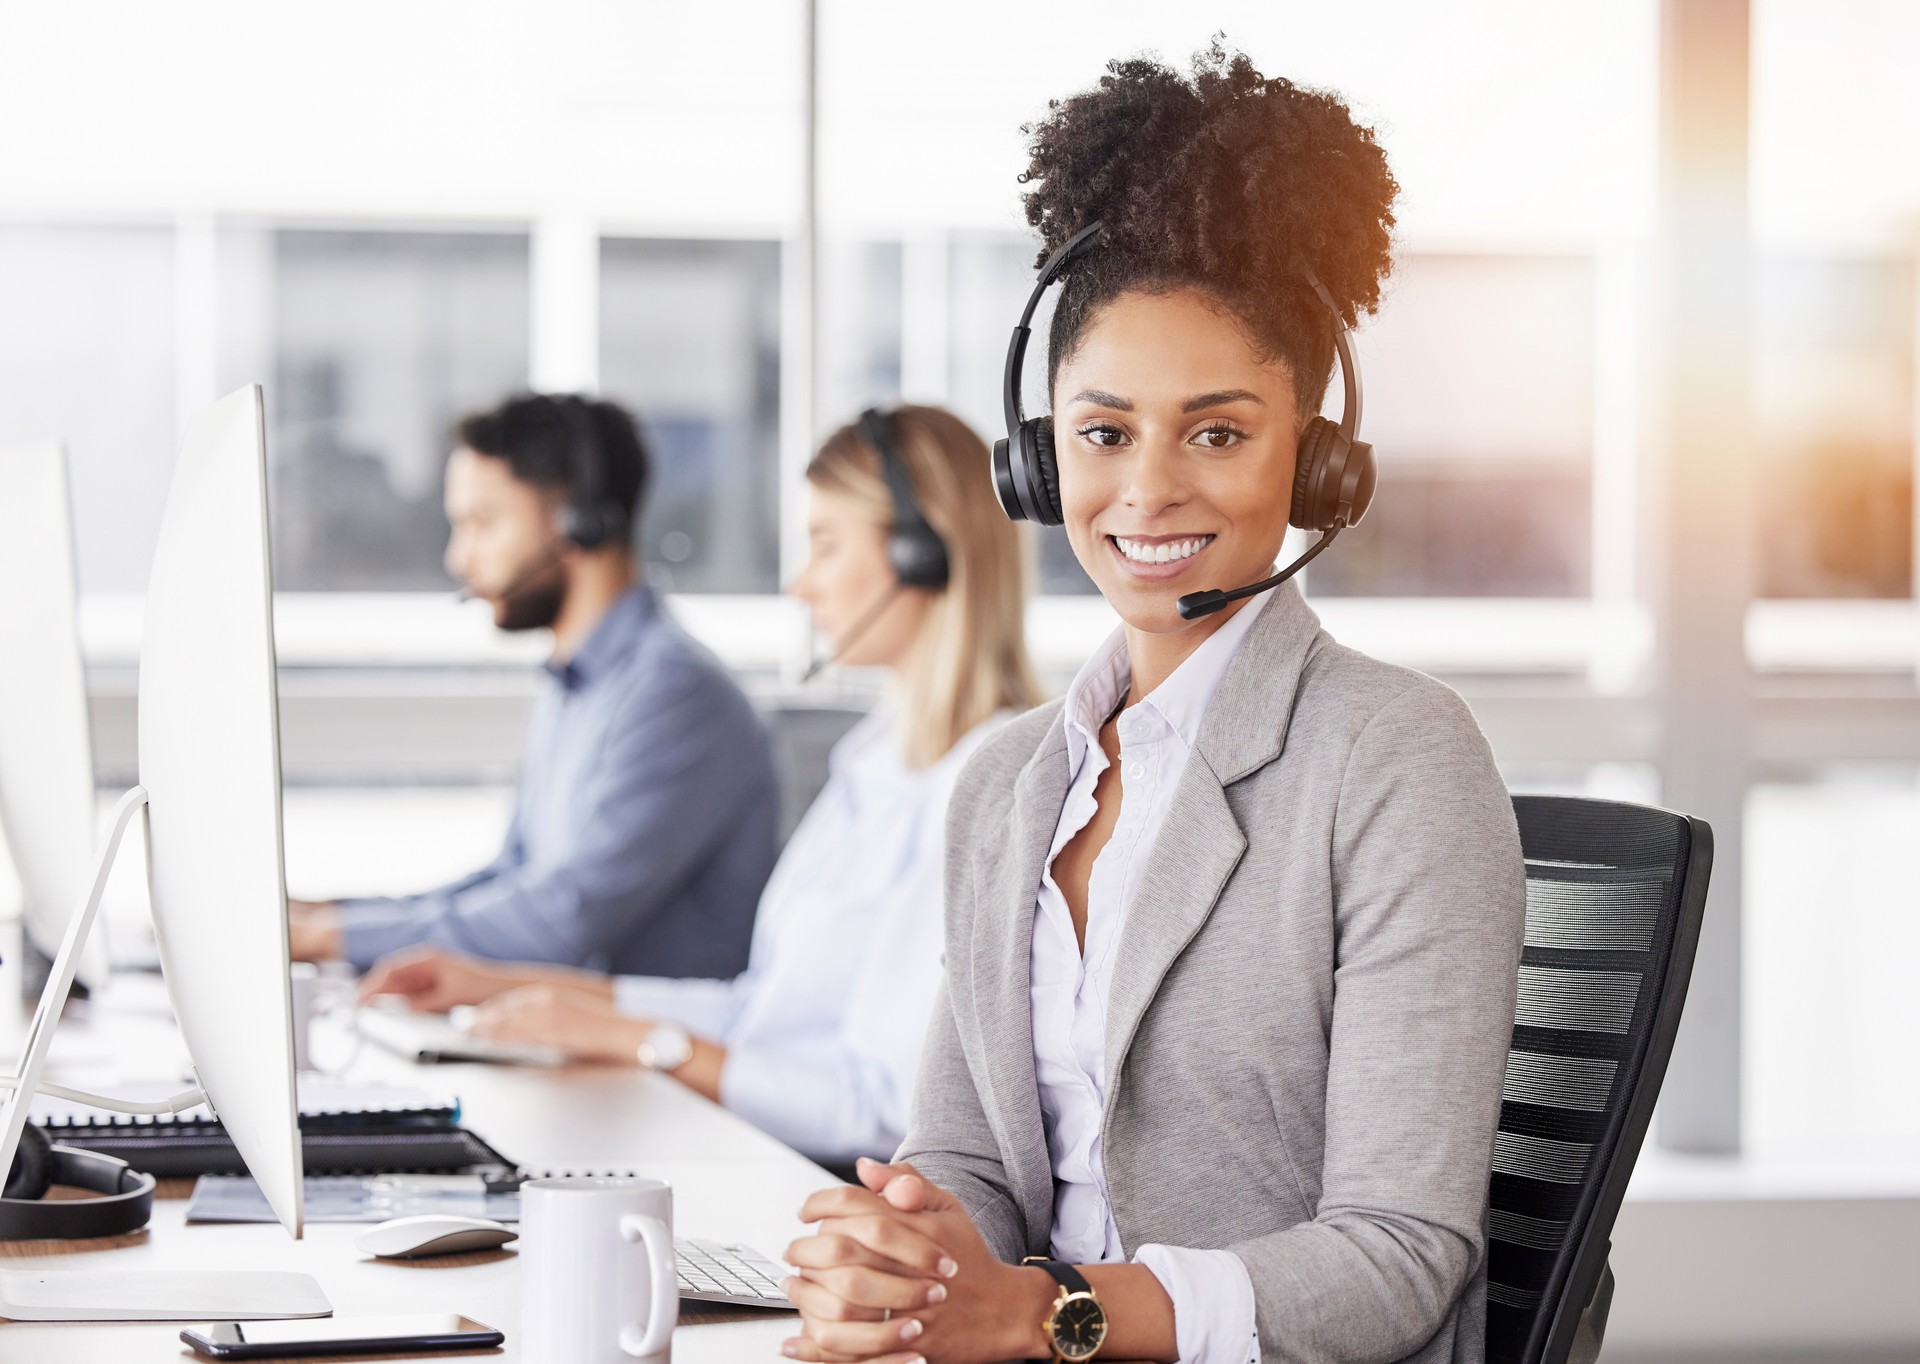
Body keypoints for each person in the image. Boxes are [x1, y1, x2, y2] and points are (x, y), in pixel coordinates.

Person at [780, 46, 1528, 1364]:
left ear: (1318, 460)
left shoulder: (1396, 756)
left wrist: (1046, 1313)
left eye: (1220, 433)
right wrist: (906, 1258)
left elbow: (1402, 1253)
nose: (1150, 491)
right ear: (1036, 455)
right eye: (1104, 432)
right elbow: (963, 1155)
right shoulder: (1012, 781)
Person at [357, 404, 1042, 1167]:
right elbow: (760, 1011)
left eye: (824, 546)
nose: (798, 585)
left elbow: (882, 1108)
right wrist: (514, 989)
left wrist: (638, 1041)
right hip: (771, 1154)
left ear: (924, 555)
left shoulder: (986, 786)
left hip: (839, 1191)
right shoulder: (876, 760)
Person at [288, 393, 778, 980]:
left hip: (646, 1062)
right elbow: (512, 879)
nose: (458, 558)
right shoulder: (574, 686)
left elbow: (562, 920)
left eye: (482, 523)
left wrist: (331, 938)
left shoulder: (676, 694)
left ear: (580, 520)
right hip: (560, 1044)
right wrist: (329, 916)